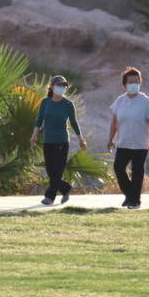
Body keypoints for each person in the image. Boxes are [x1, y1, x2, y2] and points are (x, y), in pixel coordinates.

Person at [30, 75, 87, 206]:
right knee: (51, 170)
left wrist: (81, 139)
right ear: (52, 87)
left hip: (62, 141)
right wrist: (34, 136)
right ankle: (66, 188)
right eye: (59, 85)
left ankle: (49, 197)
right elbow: (39, 120)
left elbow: (74, 123)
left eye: (64, 85)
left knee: (58, 170)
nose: (61, 88)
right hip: (48, 141)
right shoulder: (45, 102)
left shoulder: (68, 104)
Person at [107, 66, 149, 209]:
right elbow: (114, 123)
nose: (134, 84)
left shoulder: (146, 102)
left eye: (136, 81)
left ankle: (134, 201)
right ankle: (130, 196)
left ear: (140, 83)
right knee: (118, 168)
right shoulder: (120, 101)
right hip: (123, 142)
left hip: (141, 143)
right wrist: (110, 139)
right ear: (125, 84)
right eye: (130, 82)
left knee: (137, 171)